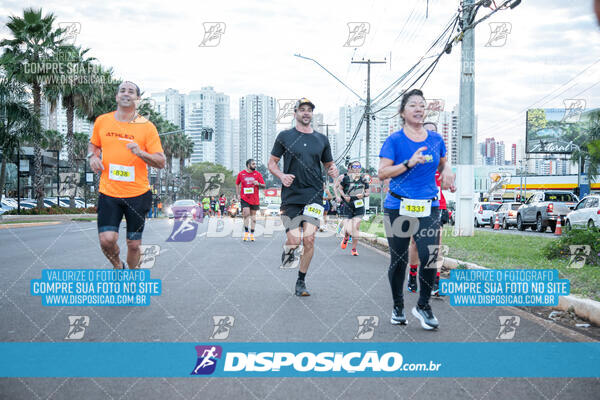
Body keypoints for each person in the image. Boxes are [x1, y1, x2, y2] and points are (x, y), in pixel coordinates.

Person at [378, 89, 456, 330]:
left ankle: (423, 305)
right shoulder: (394, 140)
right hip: (397, 205)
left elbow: (443, 162)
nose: (419, 109)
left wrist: (447, 171)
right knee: (399, 259)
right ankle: (398, 306)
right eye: (413, 105)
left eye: (422, 105)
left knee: (430, 254)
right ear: (403, 112)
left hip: (428, 205)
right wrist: (408, 163)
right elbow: (382, 173)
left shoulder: (435, 139)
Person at [88, 81, 166, 269]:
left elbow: (161, 161)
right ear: (116, 96)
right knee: (107, 240)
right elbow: (94, 144)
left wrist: (140, 153)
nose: (126, 93)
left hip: (138, 194)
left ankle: (132, 276)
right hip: (109, 192)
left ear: (137, 99)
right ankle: (118, 266)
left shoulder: (147, 127)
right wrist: (92, 156)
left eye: (131, 92)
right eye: (122, 90)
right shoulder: (102, 121)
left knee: (134, 245)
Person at [268, 97, 338, 296]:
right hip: (291, 195)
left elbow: (329, 165)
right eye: (302, 109)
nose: (306, 113)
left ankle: (301, 281)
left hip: (314, 194)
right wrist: (281, 176)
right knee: (294, 240)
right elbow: (272, 162)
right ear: (295, 113)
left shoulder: (321, 139)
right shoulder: (285, 136)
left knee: (309, 239)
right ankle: (289, 249)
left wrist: (334, 171)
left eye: (309, 110)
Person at [406, 122, 455, 296]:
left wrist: (450, 185)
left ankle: (435, 281)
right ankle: (413, 275)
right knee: (415, 243)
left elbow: (447, 181)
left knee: (436, 244)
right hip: (415, 204)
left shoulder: (440, 159)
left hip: (437, 205)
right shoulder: (413, 157)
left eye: (434, 133)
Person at [336, 161, 370, 256]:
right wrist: (344, 196)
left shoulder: (363, 179)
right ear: (351, 168)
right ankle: (346, 237)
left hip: (359, 205)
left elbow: (368, 193)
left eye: (358, 166)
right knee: (348, 227)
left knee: (356, 227)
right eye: (354, 166)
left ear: (360, 168)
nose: (356, 168)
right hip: (348, 204)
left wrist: (362, 195)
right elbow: (340, 188)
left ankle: (354, 249)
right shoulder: (346, 178)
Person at [236, 159, 265, 241]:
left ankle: (252, 234)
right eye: (253, 164)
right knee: (246, 214)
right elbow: (237, 184)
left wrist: (258, 184)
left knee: (253, 218)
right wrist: (238, 194)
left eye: (255, 164)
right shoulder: (241, 174)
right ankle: (246, 233)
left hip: (254, 199)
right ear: (248, 165)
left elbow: (264, 185)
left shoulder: (257, 174)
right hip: (244, 197)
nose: (255, 165)